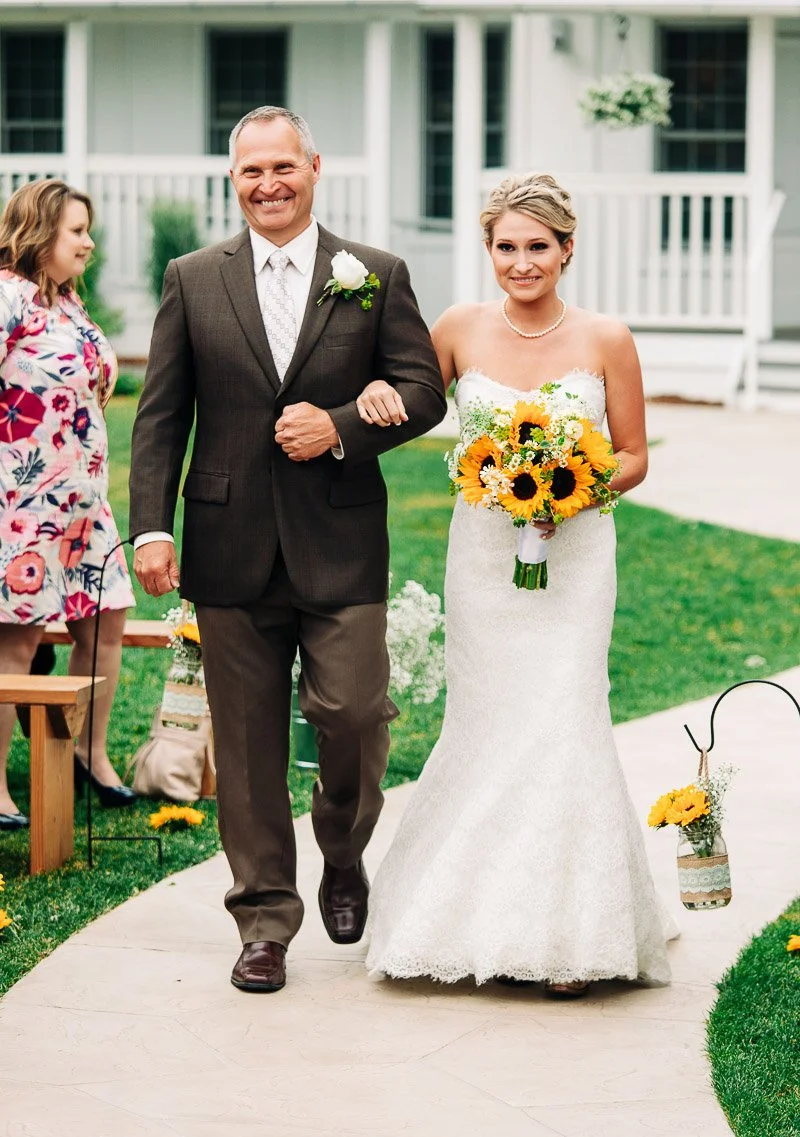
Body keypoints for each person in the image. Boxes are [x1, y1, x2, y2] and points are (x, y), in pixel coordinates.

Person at [129, 106, 445, 994]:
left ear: (314, 165)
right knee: (248, 741)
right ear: (233, 181)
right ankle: (264, 916)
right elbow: (160, 417)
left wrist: (341, 425)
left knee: (349, 715)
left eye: (282, 167)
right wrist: (152, 526)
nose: (267, 185)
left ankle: (341, 851)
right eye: (249, 173)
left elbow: (423, 392)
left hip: (341, 542)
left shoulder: (375, 275)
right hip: (228, 545)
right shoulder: (193, 278)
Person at [364, 173, 676, 996]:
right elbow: (412, 398)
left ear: (567, 249)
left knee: (566, 713)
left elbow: (636, 453)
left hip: (575, 559)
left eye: (538, 246)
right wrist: (371, 391)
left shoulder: (608, 337)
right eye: (507, 246)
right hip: (482, 560)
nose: (522, 262)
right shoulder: (459, 328)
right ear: (489, 249)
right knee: (490, 718)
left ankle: (571, 936)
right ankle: (457, 919)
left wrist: (576, 485)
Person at [0, 179, 137, 833]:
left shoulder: (70, 302)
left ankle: (89, 751)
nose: (88, 241)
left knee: (107, 621)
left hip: (85, 505)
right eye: (76, 230)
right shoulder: (8, 296)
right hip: (23, 504)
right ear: (39, 231)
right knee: (18, 639)